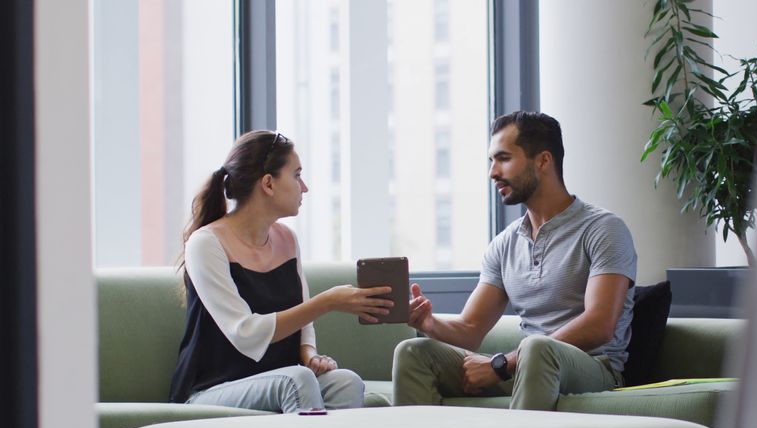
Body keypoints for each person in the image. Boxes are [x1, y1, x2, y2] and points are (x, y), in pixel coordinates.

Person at [392, 111, 637, 410]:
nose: (493, 172)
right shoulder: (505, 244)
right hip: (525, 364)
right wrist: (430, 324)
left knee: (537, 348)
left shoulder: (603, 229)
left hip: (593, 368)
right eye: (491, 161)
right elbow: (470, 328)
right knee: (414, 353)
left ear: (543, 161)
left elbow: (600, 324)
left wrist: (501, 364)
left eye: (503, 159)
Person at [170, 130, 395, 412]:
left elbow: (303, 324)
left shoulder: (286, 239)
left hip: (280, 380)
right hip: (212, 390)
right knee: (296, 380)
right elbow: (245, 333)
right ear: (268, 184)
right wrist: (328, 301)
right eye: (297, 175)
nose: (305, 188)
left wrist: (309, 355)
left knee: (346, 382)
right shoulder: (206, 244)